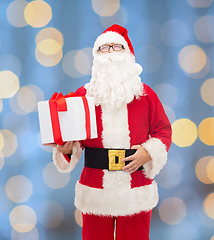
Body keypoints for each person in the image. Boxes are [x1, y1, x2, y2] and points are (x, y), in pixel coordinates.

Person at [51, 24, 172, 240]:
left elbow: (163, 130)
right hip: (96, 186)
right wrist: (65, 149)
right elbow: (72, 140)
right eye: (104, 48)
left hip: (135, 185)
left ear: (127, 53)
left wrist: (148, 152)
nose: (110, 53)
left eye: (116, 46)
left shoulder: (145, 95)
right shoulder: (83, 96)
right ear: (96, 57)